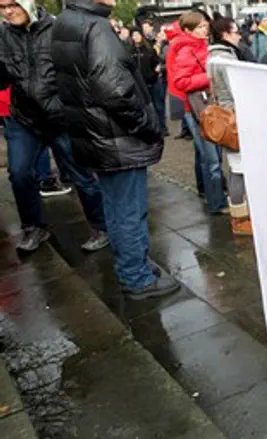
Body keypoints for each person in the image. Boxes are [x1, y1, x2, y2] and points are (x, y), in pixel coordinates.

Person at [52, 0, 180, 299]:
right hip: (115, 137)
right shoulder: (94, 27)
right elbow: (116, 91)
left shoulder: (67, 20)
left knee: (115, 208)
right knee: (128, 211)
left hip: (95, 135)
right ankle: (136, 277)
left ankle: (133, 266)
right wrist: (148, 125)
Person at [0, 0, 109, 253]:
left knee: (82, 175)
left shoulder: (57, 29)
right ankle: (33, 227)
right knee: (19, 173)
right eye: (2, 6)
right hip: (24, 118)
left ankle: (101, 225)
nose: (7, 11)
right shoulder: (2, 35)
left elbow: (80, 70)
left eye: (13, 4)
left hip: (60, 118)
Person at [170, 11, 229, 215]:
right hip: (198, 109)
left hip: (205, 108)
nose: (206, 30)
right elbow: (181, 81)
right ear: (188, 30)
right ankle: (217, 202)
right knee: (212, 158)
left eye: (206, 26)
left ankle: (210, 192)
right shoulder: (186, 49)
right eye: (201, 27)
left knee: (205, 155)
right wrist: (208, 77)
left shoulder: (202, 45)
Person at [208, 17, 253, 236]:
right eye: (235, 31)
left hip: (228, 116)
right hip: (233, 118)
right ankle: (240, 219)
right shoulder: (224, 59)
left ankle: (240, 216)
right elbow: (236, 91)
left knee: (236, 167)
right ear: (225, 34)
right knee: (239, 169)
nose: (239, 35)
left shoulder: (214, 56)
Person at [130, 28, 165, 137]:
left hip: (153, 81)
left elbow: (158, 62)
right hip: (140, 84)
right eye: (133, 35)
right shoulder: (130, 52)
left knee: (158, 105)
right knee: (147, 107)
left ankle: (163, 127)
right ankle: (153, 128)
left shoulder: (149, 49)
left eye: (137, 34)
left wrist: (157, 70)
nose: (136, 37)